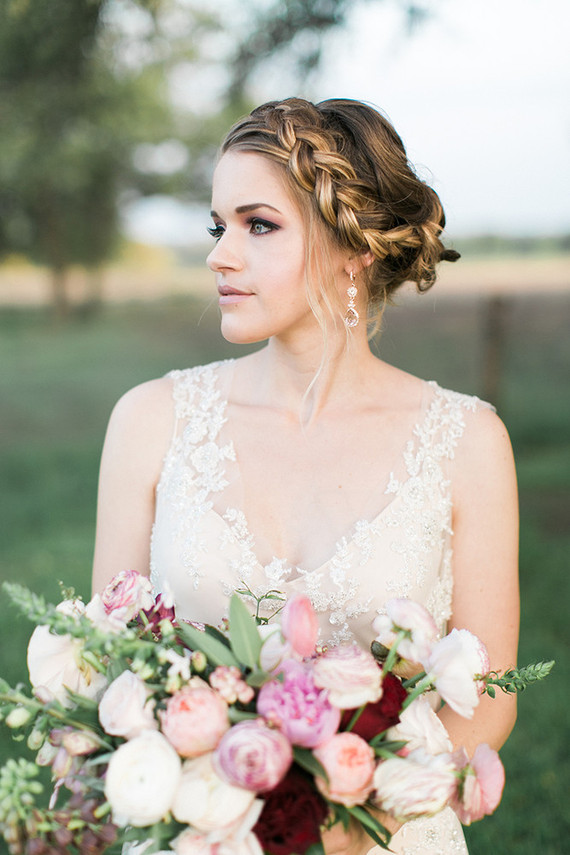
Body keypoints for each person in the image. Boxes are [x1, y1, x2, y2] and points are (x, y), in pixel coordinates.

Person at [92, 98, 519, 854]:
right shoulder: (150, 420)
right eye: (217, 225)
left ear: (352, 243)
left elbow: (487, 697)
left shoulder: (468, 440)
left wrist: (351, 817)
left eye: (258, 225)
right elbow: (111, 667)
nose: (220, 254)